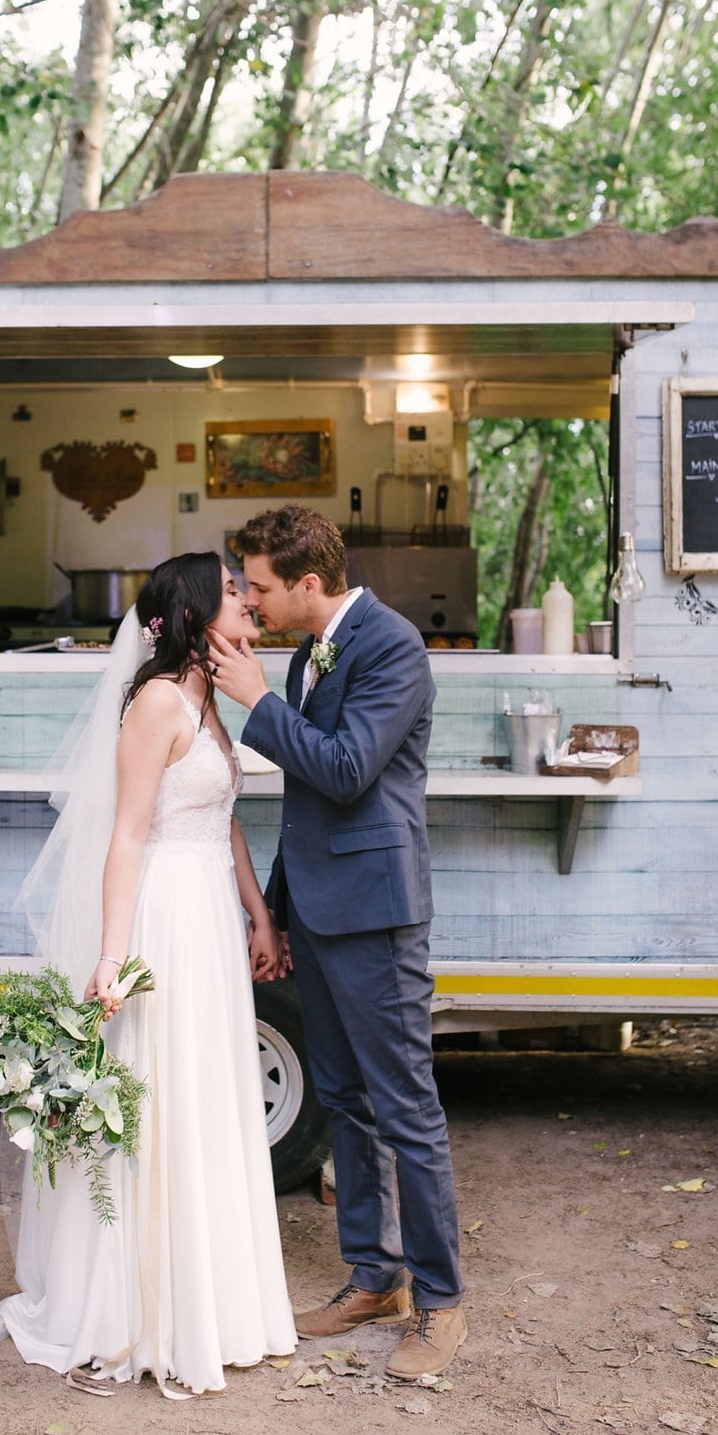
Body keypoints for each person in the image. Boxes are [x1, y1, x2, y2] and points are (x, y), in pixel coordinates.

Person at [0, 552, 296, 1397]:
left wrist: (261, 914)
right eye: (235, 591)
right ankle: (136, 1314)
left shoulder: (212, 703)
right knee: (159, 1099)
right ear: (200, 613)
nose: (248, 601)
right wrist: (111, 956)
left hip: (210, 917)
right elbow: (127, 834)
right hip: (163, 921)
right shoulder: (157, 702)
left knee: (207, 1099)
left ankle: (221, 1308)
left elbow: (227, 822)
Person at [207, 505, 466, 1383]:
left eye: (262, 586)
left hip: (377, 915)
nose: (249, 598)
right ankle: (374, 1276)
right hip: (316, 911)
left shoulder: (393, 647)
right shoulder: (303, 651)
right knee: (347, 1102)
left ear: (309, 583)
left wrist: (256, 705)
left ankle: (439, 1305)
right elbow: (309, 803)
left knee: (405, 1109)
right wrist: (272, 915)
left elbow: (349, 768)